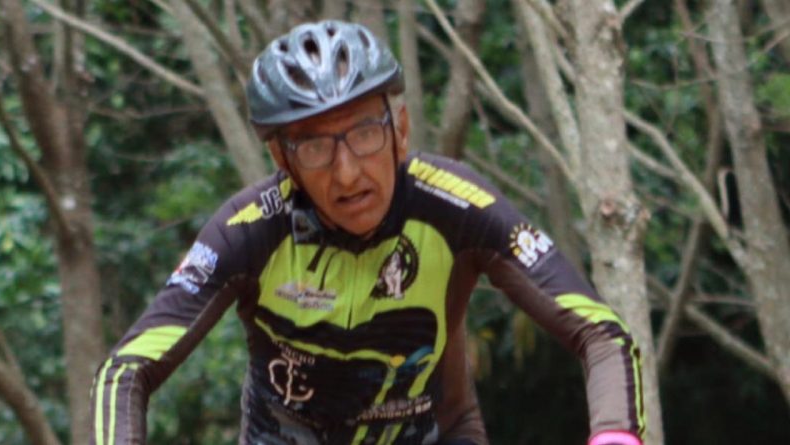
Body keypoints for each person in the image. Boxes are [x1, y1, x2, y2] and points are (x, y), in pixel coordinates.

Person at [90, 20, 645, 445]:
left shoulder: (458, 207)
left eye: (364, 133)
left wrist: (615, 434)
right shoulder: (248, 231)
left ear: (400, 130)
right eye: (314, 146)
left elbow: (602, 334)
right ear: (283, 160)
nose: (348, 172)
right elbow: (125, 370)